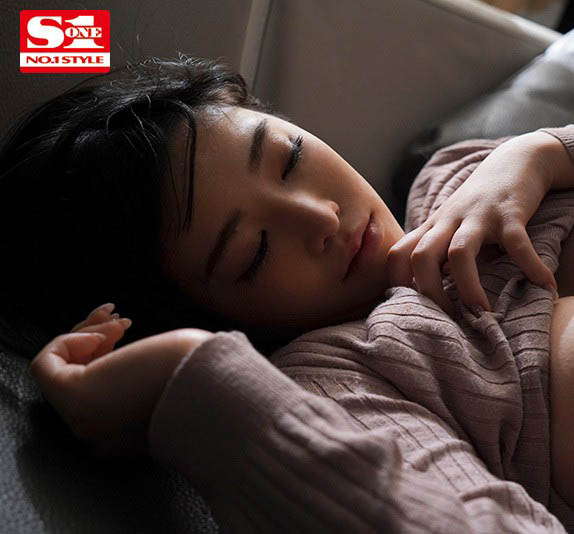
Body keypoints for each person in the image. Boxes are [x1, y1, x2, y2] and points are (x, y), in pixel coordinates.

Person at [4, 55, 574, 531]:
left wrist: (544, 153)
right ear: (213, 320)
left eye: (290, 158)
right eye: (254, 252)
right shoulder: (345, 383)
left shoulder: (458, 176)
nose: (320, 217)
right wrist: (199, 377)